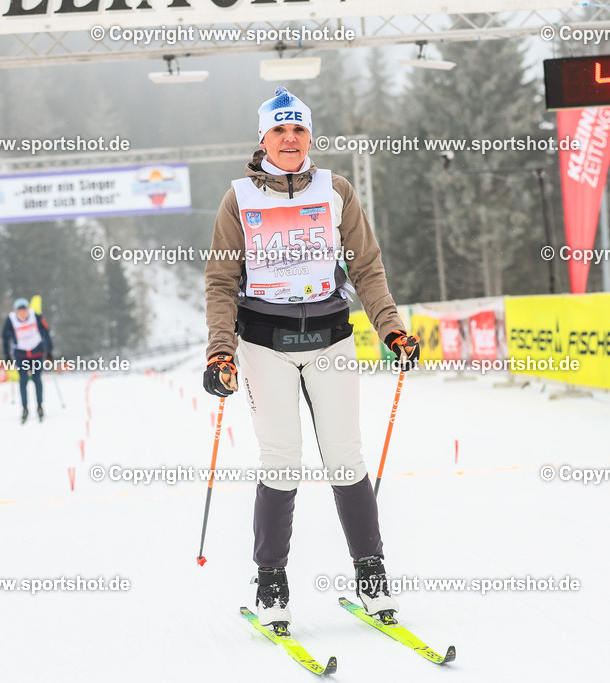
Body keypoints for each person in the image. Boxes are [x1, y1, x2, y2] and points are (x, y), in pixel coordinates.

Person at [203, 86, 420, 631]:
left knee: (346, 457)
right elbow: (222, 281)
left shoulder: (336, 190)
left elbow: (367, 267)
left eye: (298, 129)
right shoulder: (239, 200)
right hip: (263, 343)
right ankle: (270, 582)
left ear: (309, 136)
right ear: (263, 139)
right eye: (280, 130)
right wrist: (219, 351)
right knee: (282, 459)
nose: (290, 138)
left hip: (330, 337)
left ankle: (371, 575)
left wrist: (391, 328)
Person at [2, 297, 53, 424]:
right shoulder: (11, 320)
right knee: (23, 381)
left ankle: (39, 406)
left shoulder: (35, 317)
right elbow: (4, 337)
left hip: (37, 352)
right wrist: (7, 355)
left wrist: (49, 351)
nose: (23, 314)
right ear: (16, 312)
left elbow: (46, 333)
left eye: (25, 311)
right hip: (21, 354)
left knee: (37, 380)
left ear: (28, 310)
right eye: (20, 312)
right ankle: (25, 408)